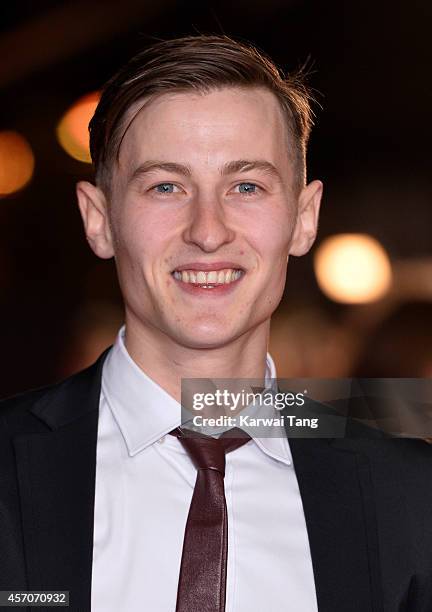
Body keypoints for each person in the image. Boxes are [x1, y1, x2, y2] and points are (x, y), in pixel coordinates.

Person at [1, 35, 431, 612]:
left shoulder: (410, 497)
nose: (208, 231)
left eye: (246, 186)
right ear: (99, 219)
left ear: (304, 218)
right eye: (166, 187)